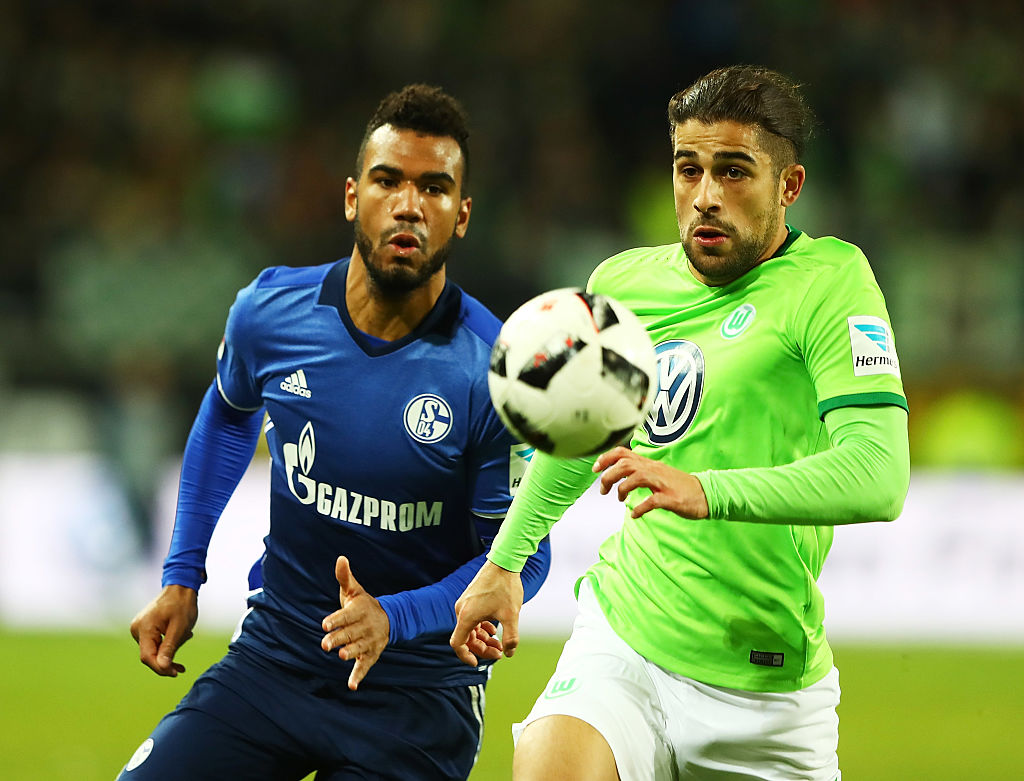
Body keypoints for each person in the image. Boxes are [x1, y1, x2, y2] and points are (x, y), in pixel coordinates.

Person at [450, 65, 910, 781]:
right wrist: (504, 563)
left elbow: (878, 475)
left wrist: (705, 489)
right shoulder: (624, 284)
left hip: (766, 692)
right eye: (688, 169)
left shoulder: (830, 283)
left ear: (789, 186)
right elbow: (581, 438)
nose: (705, 197)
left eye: (734, 172)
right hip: (626, 642)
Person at [118, 84, 551, 781]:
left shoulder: (496, 372)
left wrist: (396, 618)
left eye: (434, 188)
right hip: (275, 662)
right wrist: (182, 574)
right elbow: (227, 414)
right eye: (388, 181)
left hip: (417, 699)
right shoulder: (270, 312)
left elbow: (521, 557)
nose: (408, 205)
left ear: (462, 215)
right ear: (352, 197)